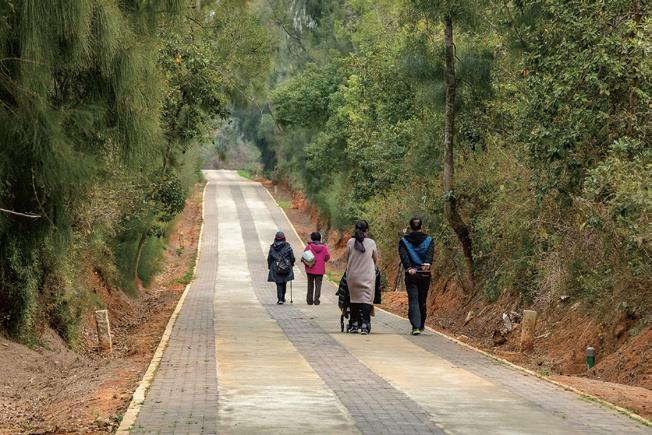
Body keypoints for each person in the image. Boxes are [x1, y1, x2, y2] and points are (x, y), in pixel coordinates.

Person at [399, 217, 434, 335]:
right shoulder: (429, 240)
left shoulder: (404, 241)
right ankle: (421, 323)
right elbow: (429, 255)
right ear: (421, 226)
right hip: (424, 274)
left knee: (413, 299)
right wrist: (427, 264)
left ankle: (416, 326)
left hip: (412, 274)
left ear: (410, 227)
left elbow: (403, 256)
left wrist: (409, 267)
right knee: (422, 299)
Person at [345, 220, 378, 335]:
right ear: (366, 230)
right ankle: (364, 325)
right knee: (367, 300)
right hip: (367, 276)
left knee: (354, 299)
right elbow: (375, 259)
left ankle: (354, 324)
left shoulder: (350, 242)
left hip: (352, 276)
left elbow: (347, 257)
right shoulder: (371, 243)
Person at [302, 231, 330, 305]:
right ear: (320, 239)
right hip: (320, 270)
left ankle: (309, 300)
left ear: (312, 238)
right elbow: (327, 257)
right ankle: (317, 300)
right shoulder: (324, 248)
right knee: (318, 285)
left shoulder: (308, 247)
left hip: (310, 269)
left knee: (310, 284)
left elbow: (304, 256)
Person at [267, 231, 295, 304]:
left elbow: (269, 258)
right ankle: (282, 297)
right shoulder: (288, 247)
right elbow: (292, 258)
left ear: (275, 238)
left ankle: (280, 299)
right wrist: (292, 264)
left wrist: (270, 266)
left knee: (278, 283)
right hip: (286, 266)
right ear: (284, 238)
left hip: (275, 266)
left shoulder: (273, 247)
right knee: (284, 282)